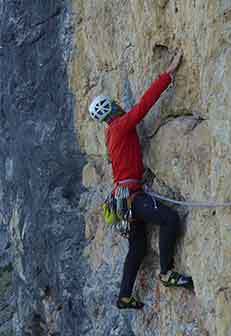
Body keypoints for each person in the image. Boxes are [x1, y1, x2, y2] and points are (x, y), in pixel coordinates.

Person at [88, 50, 194, 310]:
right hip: (132, 198)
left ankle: (124, 295)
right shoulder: (121, 126)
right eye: (114, 104)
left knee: (137, 248)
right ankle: (167, 272)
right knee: (170, 219)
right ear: (111, 108)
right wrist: (167, 75)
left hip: (122, 200)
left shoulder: (111, 134)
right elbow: (144, 106)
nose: (118, 105)